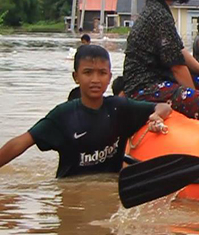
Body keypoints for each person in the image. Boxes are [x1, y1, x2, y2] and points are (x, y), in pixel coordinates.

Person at [0, 45, 172, 178]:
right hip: (70, 194)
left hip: (106, 191)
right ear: (76, 77)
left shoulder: (121, 108)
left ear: (109, 77)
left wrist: (156, 116)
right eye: (88, 73)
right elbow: (21, 143)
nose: (95, 80)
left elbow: (163, 106)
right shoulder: (62, 115)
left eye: (102, 73)